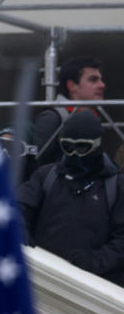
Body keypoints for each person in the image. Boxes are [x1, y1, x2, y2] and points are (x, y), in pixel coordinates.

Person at [18, 113, 124, 286]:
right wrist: (19, 230)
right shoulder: (46, 176)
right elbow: (19, 205)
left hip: (91, 286)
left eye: (82, 147)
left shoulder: (116, 186)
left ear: (97, 145)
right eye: (68, 147)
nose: (75, 154)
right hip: (43, 278)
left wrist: (94, 261)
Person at [32, 56, 106, 167]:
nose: (102, 85)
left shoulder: (95, 118)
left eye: (101, 80)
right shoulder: (52, 118)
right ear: (72, 86)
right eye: (93, 80)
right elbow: (35, 165)